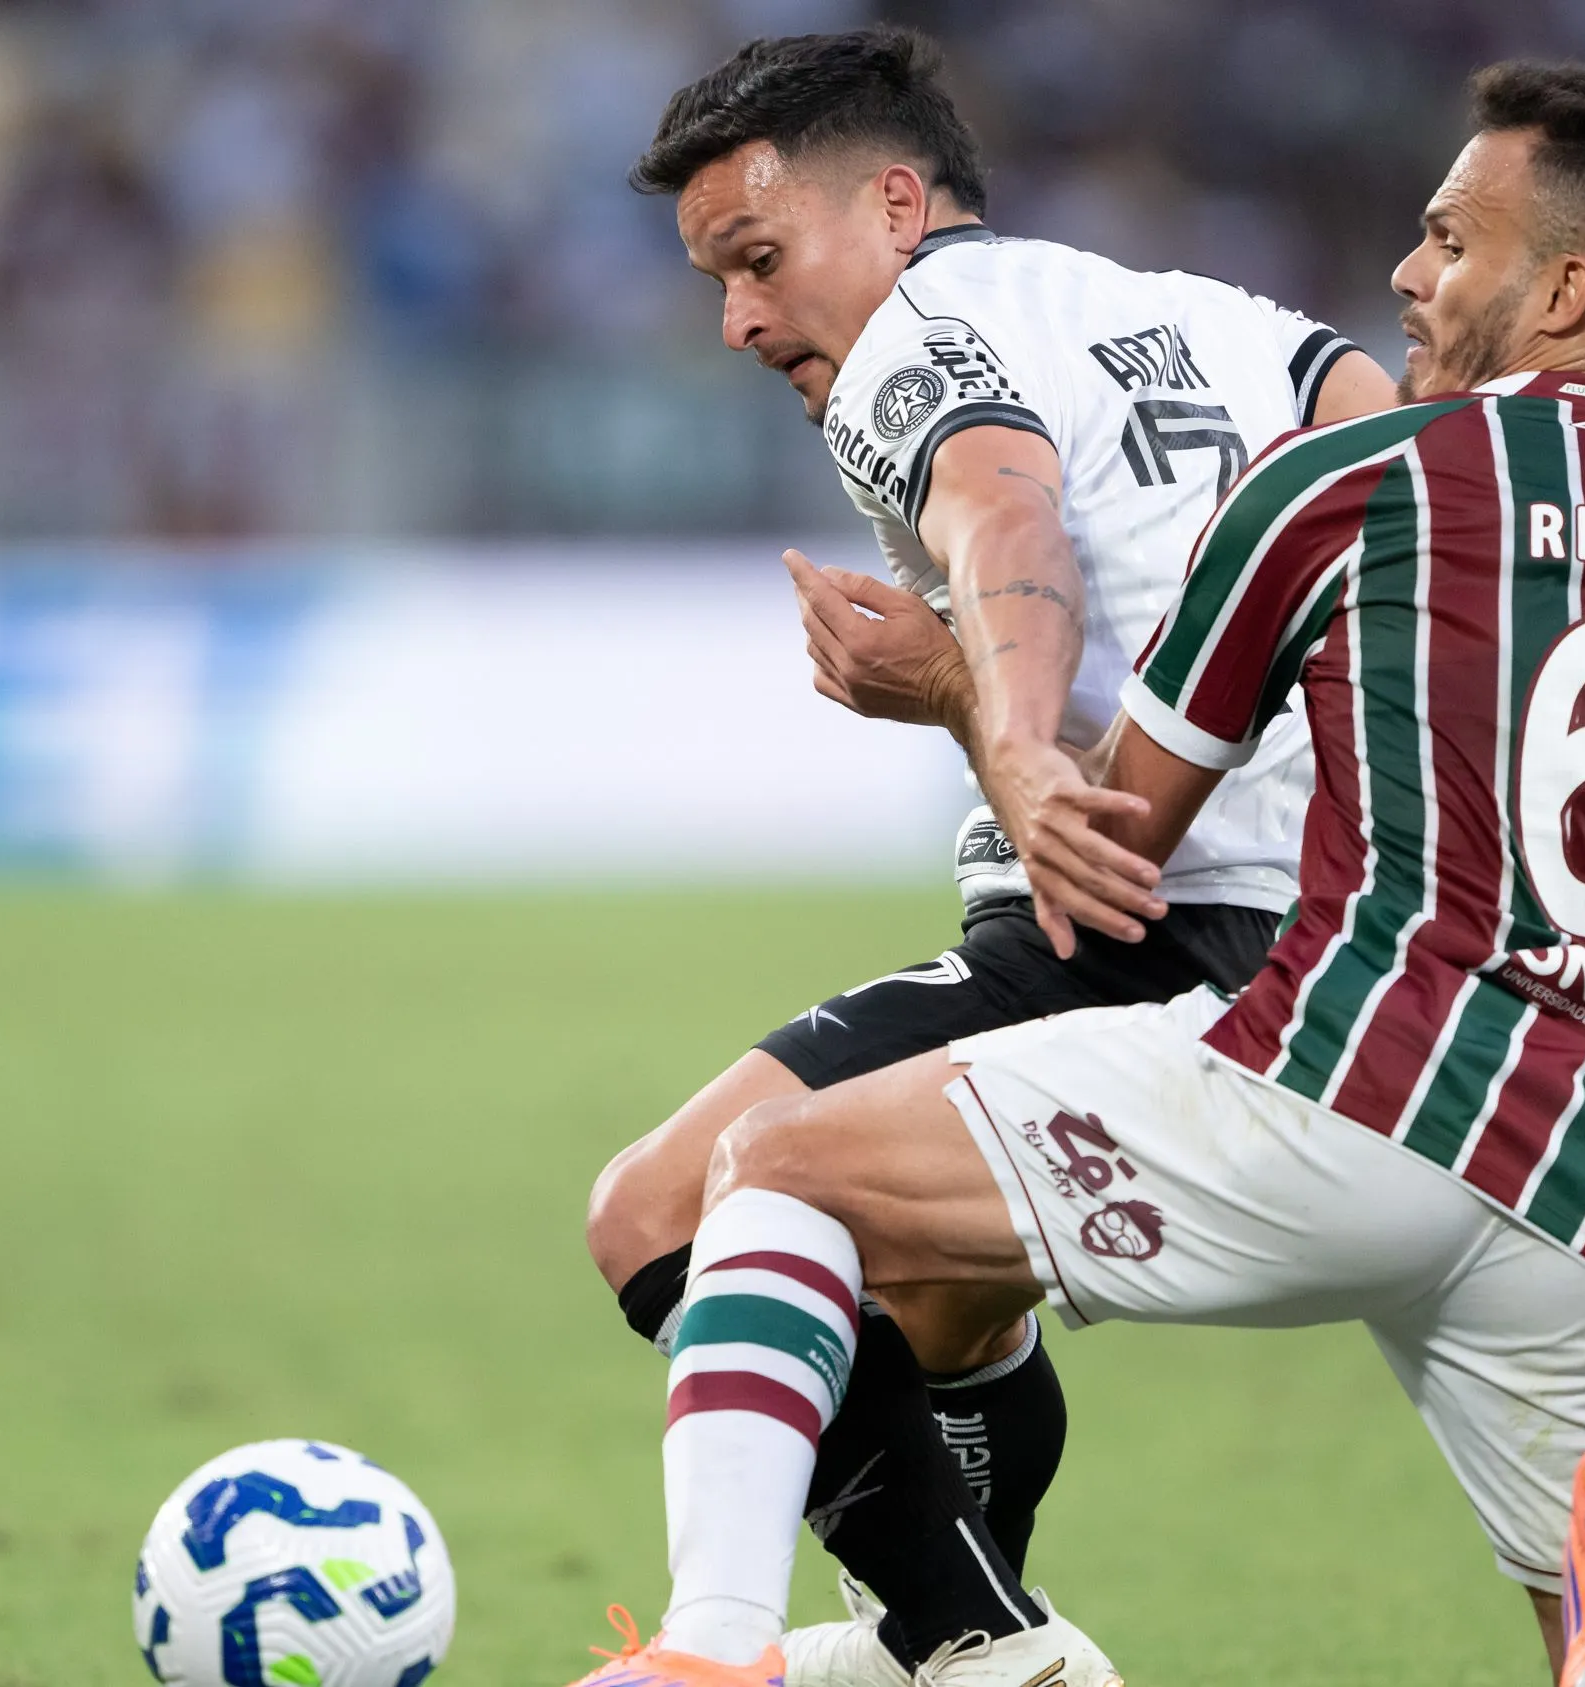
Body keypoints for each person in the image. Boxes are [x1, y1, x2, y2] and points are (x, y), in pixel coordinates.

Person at [571, 60, 1585, 1687]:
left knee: (722, 1186)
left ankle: (858, 1654)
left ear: (1560, 283)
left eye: (1450, 243)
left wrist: (989, 719)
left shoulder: (1349, 490)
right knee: (945, 1303)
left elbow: (1019, 552)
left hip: (1326, 1028)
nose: (1408, 274)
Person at [585, 26, 1395, 1687]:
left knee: (666, 1205)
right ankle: (937, 1642)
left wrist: (1005, 732)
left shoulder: (915, 335)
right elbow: (1409, 494)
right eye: (717, 280)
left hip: (1141, 911)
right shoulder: (1243, 331)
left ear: (894, 204)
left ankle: (925, 1648)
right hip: (1344, 940)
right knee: (941, 1307)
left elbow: (1002, 514)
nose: (739, 319)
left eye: (758, 258)